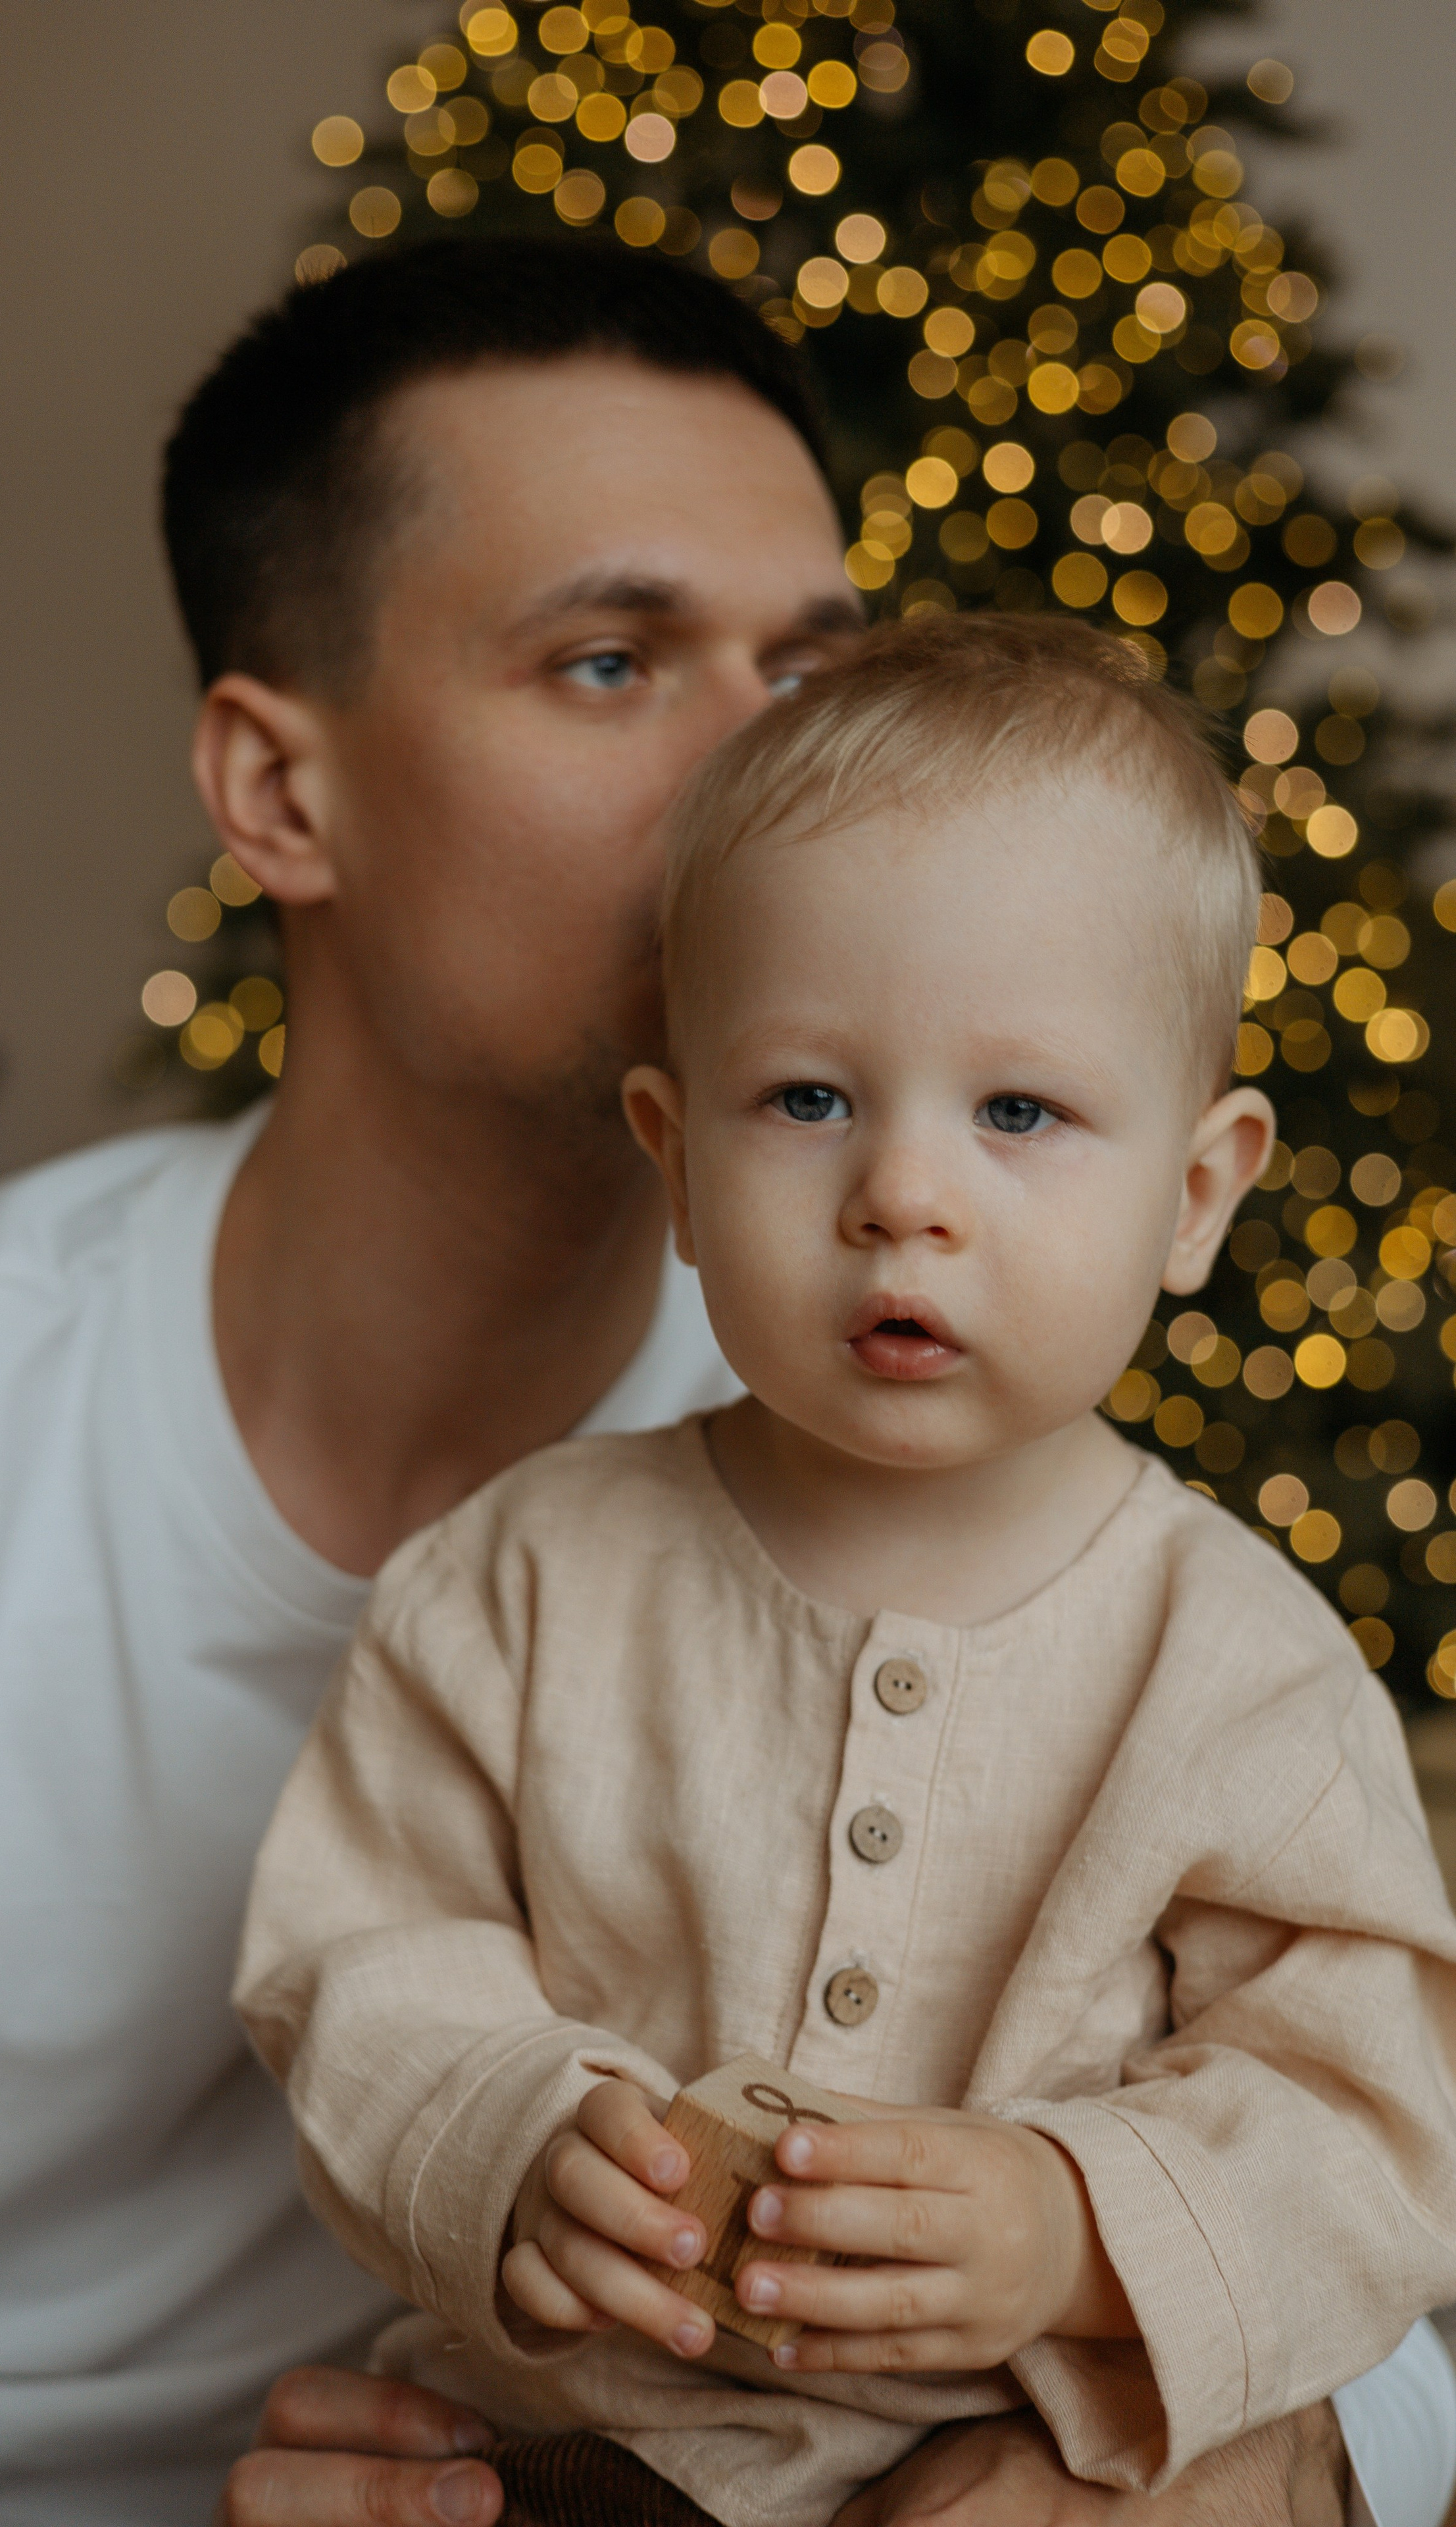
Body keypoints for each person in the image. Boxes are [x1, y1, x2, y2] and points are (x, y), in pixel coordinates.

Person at [0, 236, 1439, 2527]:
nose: (764, 760)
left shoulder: (960, 1404)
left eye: (810, 663)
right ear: (279, 792)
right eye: (612, 659)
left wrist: (1229, 2456)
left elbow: (1359, 2182)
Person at [235, 616, 1456, 2527]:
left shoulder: (1240, 1667)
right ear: (678, 1159)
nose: (903, 1191)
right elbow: (360, 1951)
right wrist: (513, 2131)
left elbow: (1368, 2122)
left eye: (1021, 1112)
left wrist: (1076, 2227)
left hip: (1056, 2468)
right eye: (808, 1100)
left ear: (1198, 1195)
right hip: (580, 2462)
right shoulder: (516, 1582)